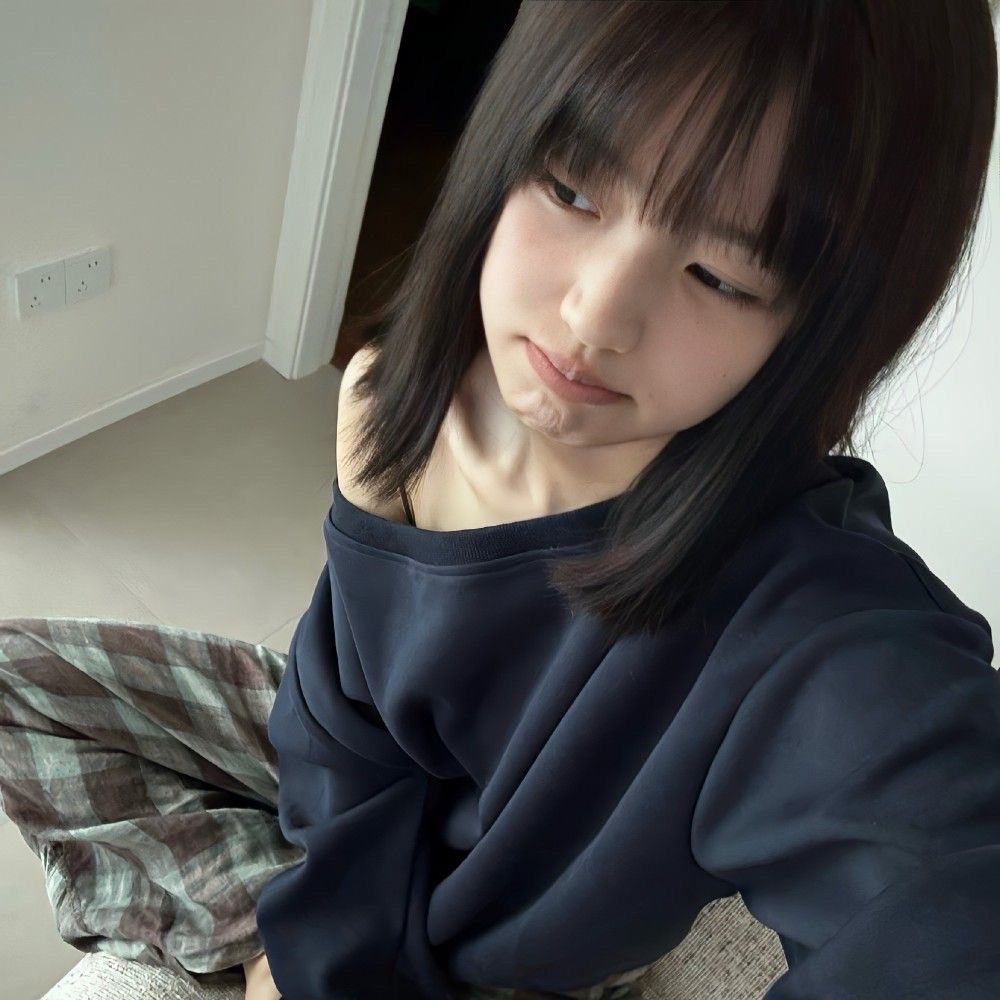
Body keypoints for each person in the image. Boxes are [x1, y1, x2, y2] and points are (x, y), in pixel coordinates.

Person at [2, 2, 999, 998]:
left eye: (720, 276)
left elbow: (945, 886)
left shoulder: (807, 624)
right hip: (357, 800)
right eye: (571, 190)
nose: (595, 315)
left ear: (823, 331)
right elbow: (344, 716)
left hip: (511, 928)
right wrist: (317, 936)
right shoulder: (389, 396)